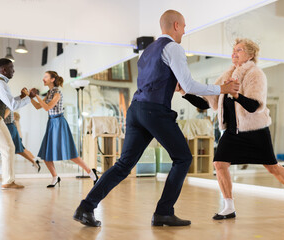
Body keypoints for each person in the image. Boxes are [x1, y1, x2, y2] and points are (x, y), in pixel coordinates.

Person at [73, 9, 239, 227]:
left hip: (136, 109)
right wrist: (221, 88)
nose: (185, 30)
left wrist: (174, 84)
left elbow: (160, 79)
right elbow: (188, 85)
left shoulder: (147, 50)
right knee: (183, 158)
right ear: (177, 25)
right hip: (155, 111)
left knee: (123, 164)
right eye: (185, 26)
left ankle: (86, 207)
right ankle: (164, 212)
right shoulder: (174, 48)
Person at [181, 38, 284, 220]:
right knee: (219, 164)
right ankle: (229, 206)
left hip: (255, 131)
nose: (234, 53)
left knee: (272, 168)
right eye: (233, 50)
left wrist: (235, 95)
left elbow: (254, 106)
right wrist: (184, 93)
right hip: (232, 131)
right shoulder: (226, 75)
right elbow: (207, 102)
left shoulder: (256, 75)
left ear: (251, 54)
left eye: (239, 50)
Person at [30, 71, 98, 187]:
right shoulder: (49, 92)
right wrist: (30, 97)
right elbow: (38, 106)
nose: (43, 79)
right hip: (51, 123)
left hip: (59, 123)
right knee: (46, 155)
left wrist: (36, 96)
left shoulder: (57, 93)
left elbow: (47, 107)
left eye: (45, 77)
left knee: (71, 154)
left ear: (52, 79)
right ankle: (55, 177)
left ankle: (91, 172)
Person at [0, 58, 32, 189]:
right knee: (9, 148)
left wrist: (21, 96)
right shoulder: (0, 84)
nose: (13, 71)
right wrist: (29, 98)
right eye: (11, 68)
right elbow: (12, 105)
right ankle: (8, 182)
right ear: (4, 70)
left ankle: (8, 180)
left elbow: (7, 101)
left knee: (7, 148)